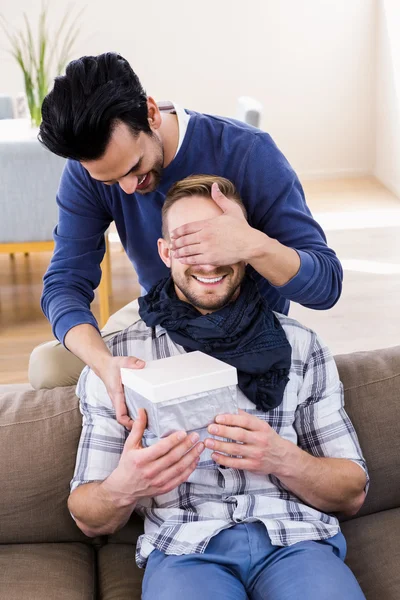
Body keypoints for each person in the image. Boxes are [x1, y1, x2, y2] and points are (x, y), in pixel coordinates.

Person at [69, 176, 367, 600]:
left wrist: (283, 459)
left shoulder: (302, 346)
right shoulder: (119, 360)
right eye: (189, 245)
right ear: (165, 252)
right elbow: (87, 518)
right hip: (184, 547)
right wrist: (127, 484)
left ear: (246, 249)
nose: (208, 262)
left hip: (295, 541)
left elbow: (352, 493)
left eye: (221, 243)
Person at [33, 51, 343, 429]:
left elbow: (326, 285)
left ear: (150, 113)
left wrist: (252, 244)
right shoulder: (86, 175)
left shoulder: (247, 152)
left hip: (246, 325)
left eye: (134, 168)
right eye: (112, 182)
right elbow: (64, 282)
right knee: (46, 366)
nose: (129, 189)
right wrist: (104, 365)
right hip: (165, 313)